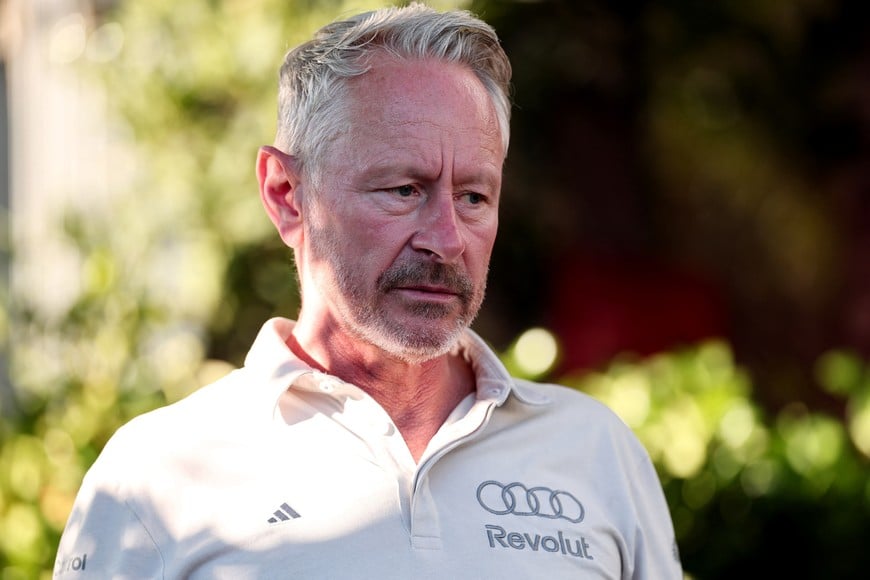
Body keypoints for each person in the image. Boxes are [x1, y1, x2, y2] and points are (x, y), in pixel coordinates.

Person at [54, 4, 682, 578]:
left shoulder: (594, 452)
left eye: (473, 196)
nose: (446, 238)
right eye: (403, 189)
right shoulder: (154, 476)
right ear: (286, 195)